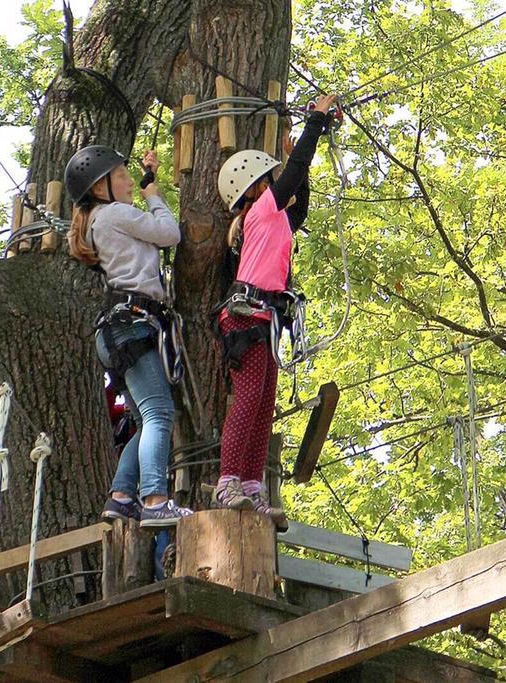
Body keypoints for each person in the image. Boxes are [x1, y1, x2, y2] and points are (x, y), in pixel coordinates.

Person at [212, 94, 338, 531]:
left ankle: (250, 485)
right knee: (247, 402)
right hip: (246, 316)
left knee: (263, 406)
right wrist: (316, 120)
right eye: (271, 179)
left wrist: (294, 156)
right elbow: (296, 175)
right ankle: (228, 481)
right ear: (255, 188)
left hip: (265, 318)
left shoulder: (276, 217)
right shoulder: (260, 213)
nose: (277, 185)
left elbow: (298, 201)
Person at [66, 145, 193, 528]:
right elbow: (169, 234)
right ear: (101, 186)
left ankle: (122, 496)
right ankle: (154, 499)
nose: (127, 183)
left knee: (144, 419)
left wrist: (148, 179)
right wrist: (153, 196)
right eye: (120, 176)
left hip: (117, 330)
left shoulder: (99, 220)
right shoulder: (116, 214)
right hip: (132, 324)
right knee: (159, 413)